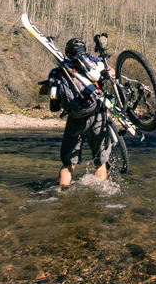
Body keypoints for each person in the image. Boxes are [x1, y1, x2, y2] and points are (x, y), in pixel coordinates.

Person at [45, 37, 114, 186]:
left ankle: (62, 194)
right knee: (100, 162)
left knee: (68, 164)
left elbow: (48, 93)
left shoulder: (58, 71)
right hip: (96, 114)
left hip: (74, 118)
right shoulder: (91, 62)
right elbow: (110, 73)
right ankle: (101, 194)